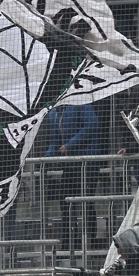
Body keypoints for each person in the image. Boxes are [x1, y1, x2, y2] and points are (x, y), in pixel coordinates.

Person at [44, 104, 99, 251]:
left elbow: (92, 125)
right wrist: (47, 159)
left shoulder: (81, 104)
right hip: (69, 164)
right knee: (66, 203)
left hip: (87, 162)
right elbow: (55, 140)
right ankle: (68, 242)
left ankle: (90, 242)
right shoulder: (54, 113)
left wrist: (71, 145)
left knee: (86, 202)